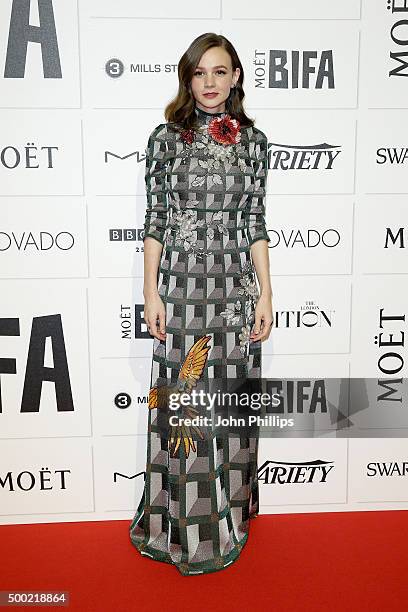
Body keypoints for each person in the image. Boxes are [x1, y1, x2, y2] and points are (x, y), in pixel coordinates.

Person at [129, 32, 274, 576]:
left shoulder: (254, 142)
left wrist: (265, 291)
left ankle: (230, 518)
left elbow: (255, 223)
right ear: (187, 80)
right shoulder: (166, 139)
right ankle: (183, 527)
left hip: (235, 292)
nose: (210, 83)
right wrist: (150, 291)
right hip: (185, 290)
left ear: (236, 77)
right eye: (199, 73)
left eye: (220, 72)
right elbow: (156, 222)